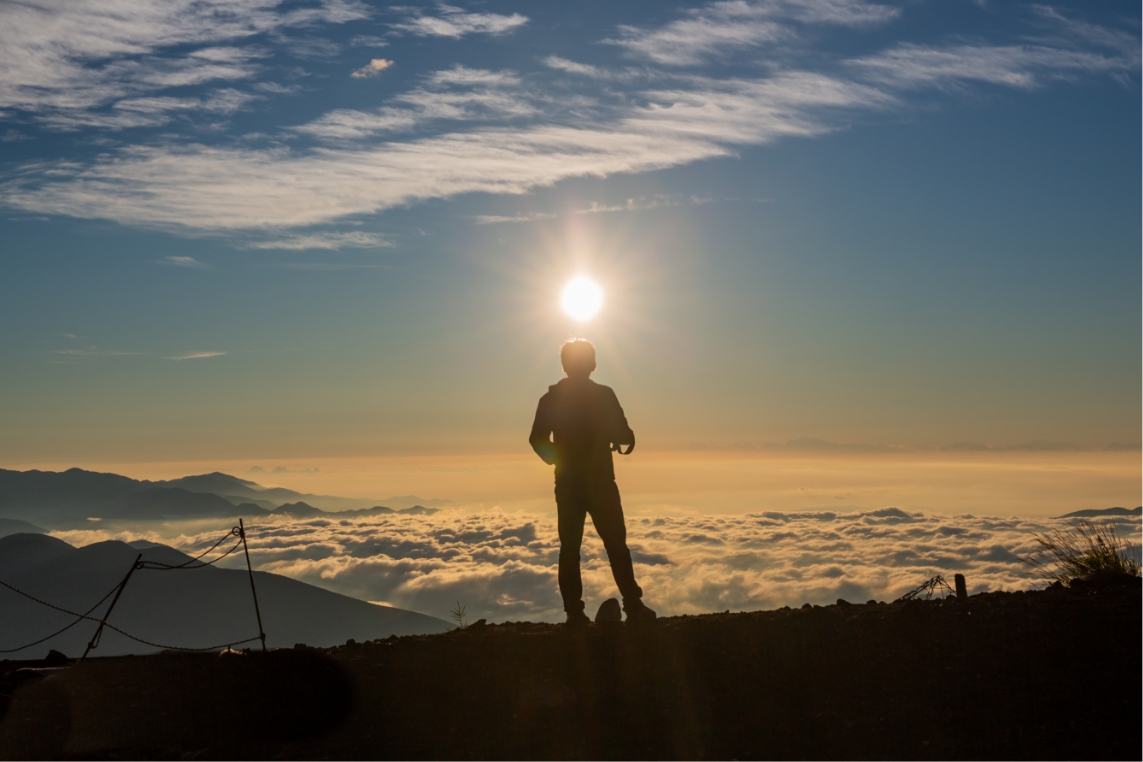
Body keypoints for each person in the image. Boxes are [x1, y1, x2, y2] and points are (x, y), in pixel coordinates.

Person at [529, 339, 657, 625]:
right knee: (616, 545)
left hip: (567, 484)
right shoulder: (604, 395)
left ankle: (574, 614)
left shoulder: (550, 399)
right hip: (600, 482)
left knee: (570, 548)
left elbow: (536, 439)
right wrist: (622, 436)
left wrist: (559, 461)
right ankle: (633, 607)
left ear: (564, 364)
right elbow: (623, 434)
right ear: (591, 364)